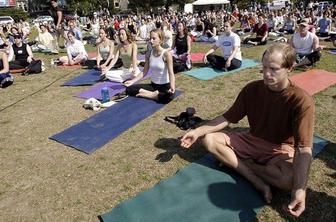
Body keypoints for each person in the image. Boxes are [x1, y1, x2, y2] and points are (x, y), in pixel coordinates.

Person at [181, 43, 314, 218]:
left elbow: (304, 148)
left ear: (290, 68)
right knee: (209, 140)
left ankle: (244, 165)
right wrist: (197, 132)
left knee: (290, 179)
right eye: (264, 67)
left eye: (273, 69)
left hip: (279, 149)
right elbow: (227, 118)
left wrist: (299, 189)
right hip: (252, 140)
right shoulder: (252, 89)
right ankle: (256, 180)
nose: (267, 74)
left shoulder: (301, 101)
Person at [125, 29, 175, 104]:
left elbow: (171, 73)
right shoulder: (149, 54)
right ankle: (153, 94)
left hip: (164, 86)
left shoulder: (166, 54)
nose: (151, 41)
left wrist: (172, 86)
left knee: (169, 96)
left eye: (154, 38)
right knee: (129, 89)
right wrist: (132, 81)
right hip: (153, 86)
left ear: (160, 40)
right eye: (150, 38)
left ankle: (150, 95)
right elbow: (144, 71)